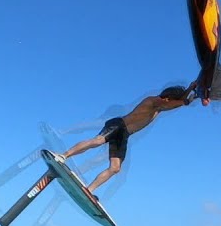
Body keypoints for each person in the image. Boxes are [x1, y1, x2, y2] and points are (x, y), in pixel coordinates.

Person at [53, 83, 195, 198]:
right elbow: (177, 103)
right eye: (171, 100)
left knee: (115, 168)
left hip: (125, 134)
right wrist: (188, 97)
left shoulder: (161, 108)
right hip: (118, 125)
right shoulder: (153, 100)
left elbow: (176, 103)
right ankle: (63, 155)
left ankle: (89, 190)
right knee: (97, 141)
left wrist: (191, 89)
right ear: (167, 97)